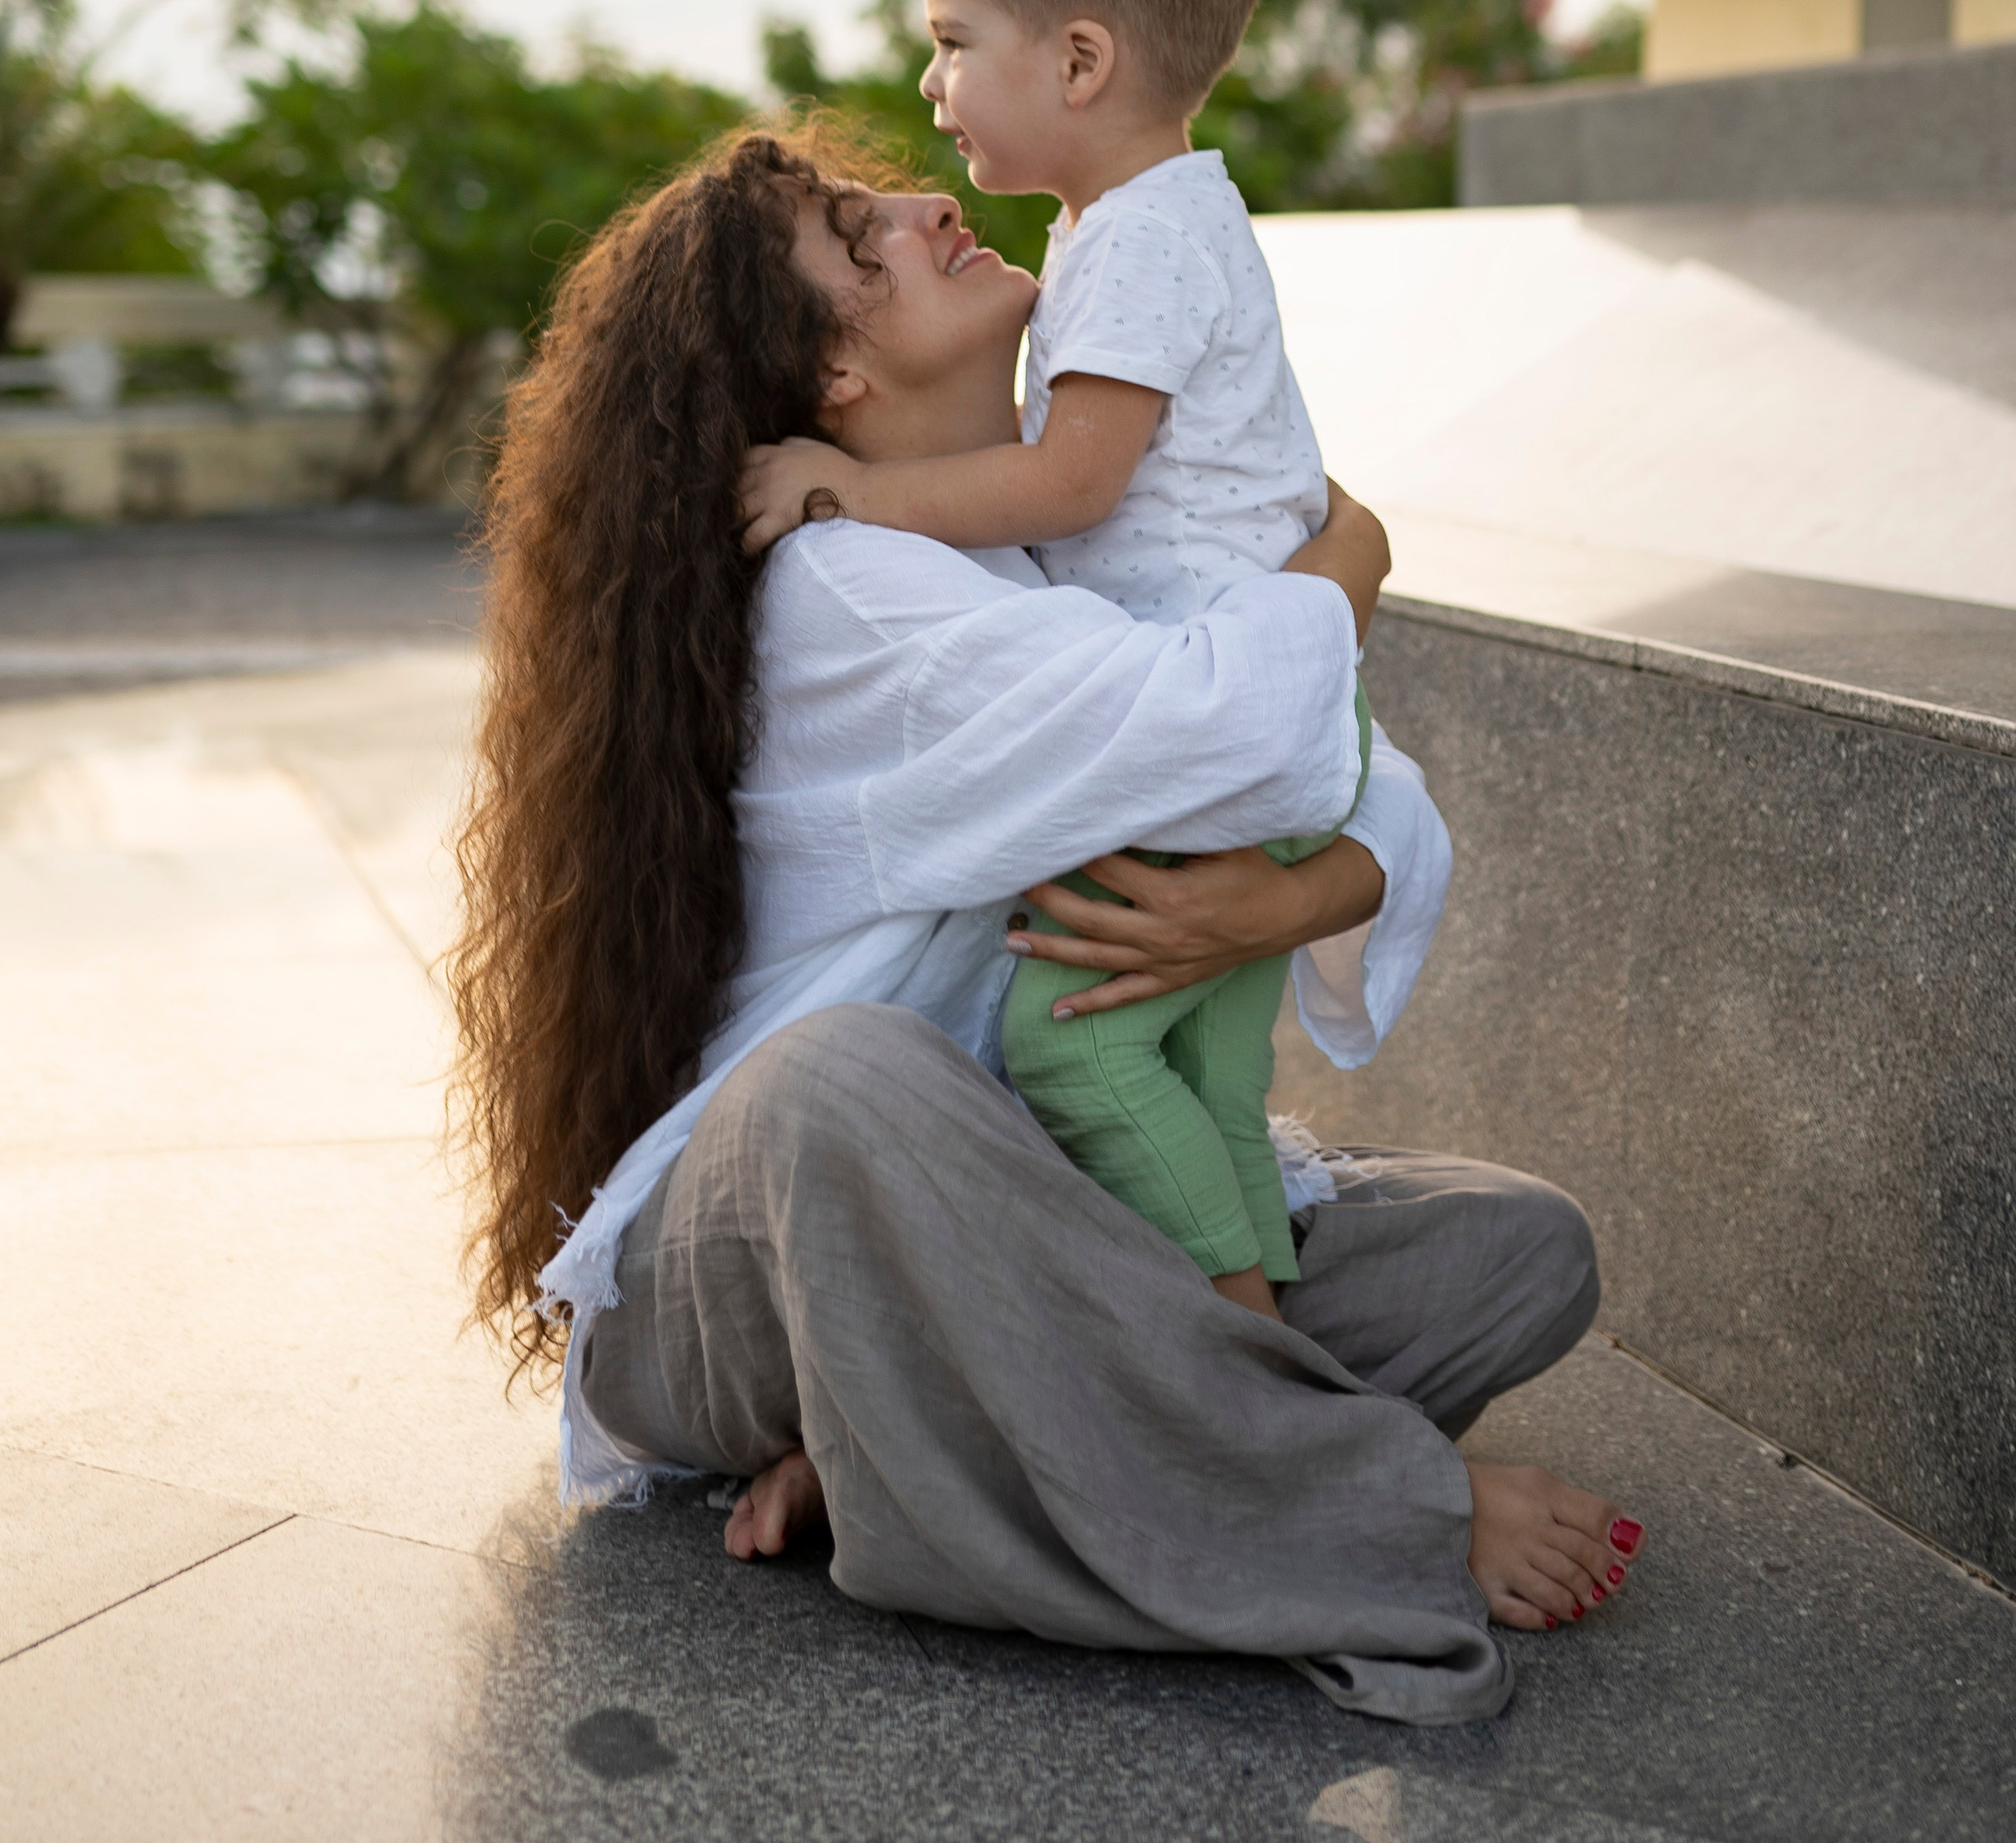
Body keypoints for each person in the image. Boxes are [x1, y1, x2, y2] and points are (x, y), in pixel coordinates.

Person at [448, 126, 1645, 1730]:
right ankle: (1373, 1510)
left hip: (998, 1226)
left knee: (1512, 1251)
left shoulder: (1056, 542)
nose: (927, 203)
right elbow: (1235, 723)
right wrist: (1352, 549)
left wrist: (1287, 897)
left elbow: (1365, 789)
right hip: (743, 1268)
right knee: (843, 1079)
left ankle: (919, 1436)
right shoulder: (847, 586)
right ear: (829, 376)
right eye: (855, 234)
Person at [737, 0, 1363, 1323]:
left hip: (1215, 737)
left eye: (954, 44)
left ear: (1079, 65)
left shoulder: (1135, 244)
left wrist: (852, 493)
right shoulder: (1146, 226)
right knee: (1203, 1074)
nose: (932, 90)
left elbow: (1074, 481)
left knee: (1081, 1050)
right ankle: (1265, 1328)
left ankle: (1238, 1364)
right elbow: (1314, 511)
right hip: (1253, 733)